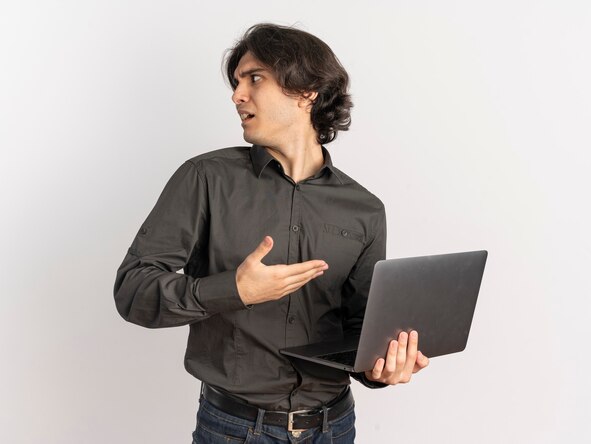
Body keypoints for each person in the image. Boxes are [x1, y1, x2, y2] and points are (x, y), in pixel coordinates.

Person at [114, 23, 429, 443]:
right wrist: (234, 290)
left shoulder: (365, 209)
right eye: (237, 81)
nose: (237, 94)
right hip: (233, 429)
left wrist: (382, 368)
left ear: (307, 90)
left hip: (334, 429)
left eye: (255, 78)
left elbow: (360, 330)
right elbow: (133, 290)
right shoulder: (205, 178)